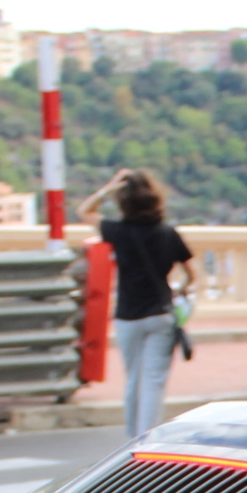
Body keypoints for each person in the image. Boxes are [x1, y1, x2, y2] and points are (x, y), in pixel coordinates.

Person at [78, 168, 203, 438]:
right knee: (153, 383)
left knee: (133, 380)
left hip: (127, 316)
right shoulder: (168, 233)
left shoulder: (116, 231)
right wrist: (179, 289)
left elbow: (84, 211)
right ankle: (147, 440)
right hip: (160, 314)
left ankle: (130, 440)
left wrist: (109, 187)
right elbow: (191, 274)